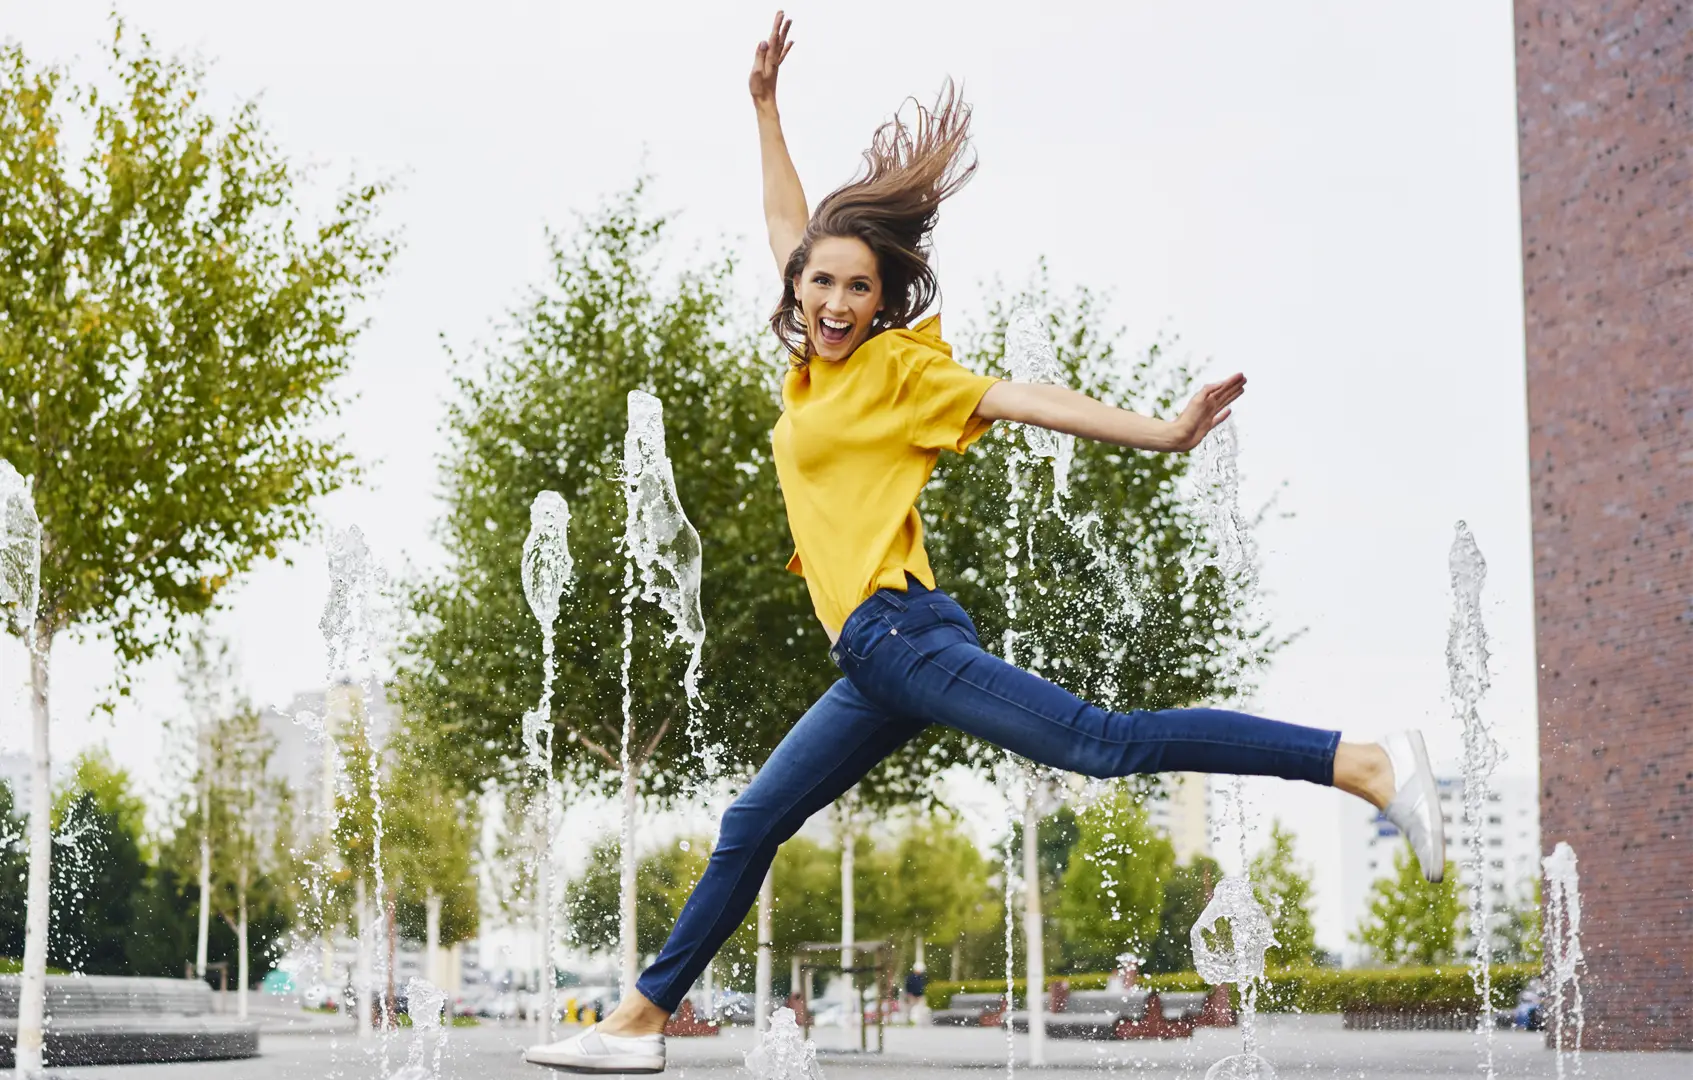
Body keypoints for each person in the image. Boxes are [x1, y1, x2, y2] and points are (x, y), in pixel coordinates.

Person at [524, 11, 1444, 1074]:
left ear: (882, 301)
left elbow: (1021, 397)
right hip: (870, 662)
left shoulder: (896, 372)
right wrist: (765, 109)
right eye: (820, 283)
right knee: (751, 820)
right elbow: (788, 220)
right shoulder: (815, 364)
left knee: (1106, 741)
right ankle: (640, 1021)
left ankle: (1357, 761)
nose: (833, 299)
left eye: (857, 288)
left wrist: (1160, 431)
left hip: (901, 636)